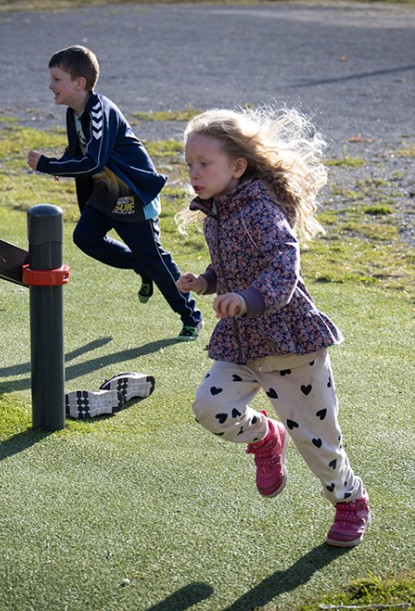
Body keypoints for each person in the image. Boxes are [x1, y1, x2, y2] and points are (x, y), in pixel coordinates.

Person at [175, 107, 370, 547]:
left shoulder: (261, 209)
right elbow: (232, 263)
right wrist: (206, 281)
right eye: (190, 165)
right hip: (242, 343)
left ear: (237, 166)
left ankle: (349, 500)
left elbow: (284, 265)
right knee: (210, 407)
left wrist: (246, 299)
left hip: (289, 342)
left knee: (317, 441)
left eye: (204, 164)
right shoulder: (218, 213)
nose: (194, 173)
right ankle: (266, 437)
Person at [26, 45, 202, 341]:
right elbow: (79, 149)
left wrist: (47, 164)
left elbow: (95, 159)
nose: (50, 86)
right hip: (105, 191)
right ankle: (138, 264)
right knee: (85, 237)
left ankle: (190, 317)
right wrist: (62, 163)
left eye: (57, 79)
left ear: (79, 83)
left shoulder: (99, 111)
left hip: (132, 193)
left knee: (155, 259)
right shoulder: (74, 111)